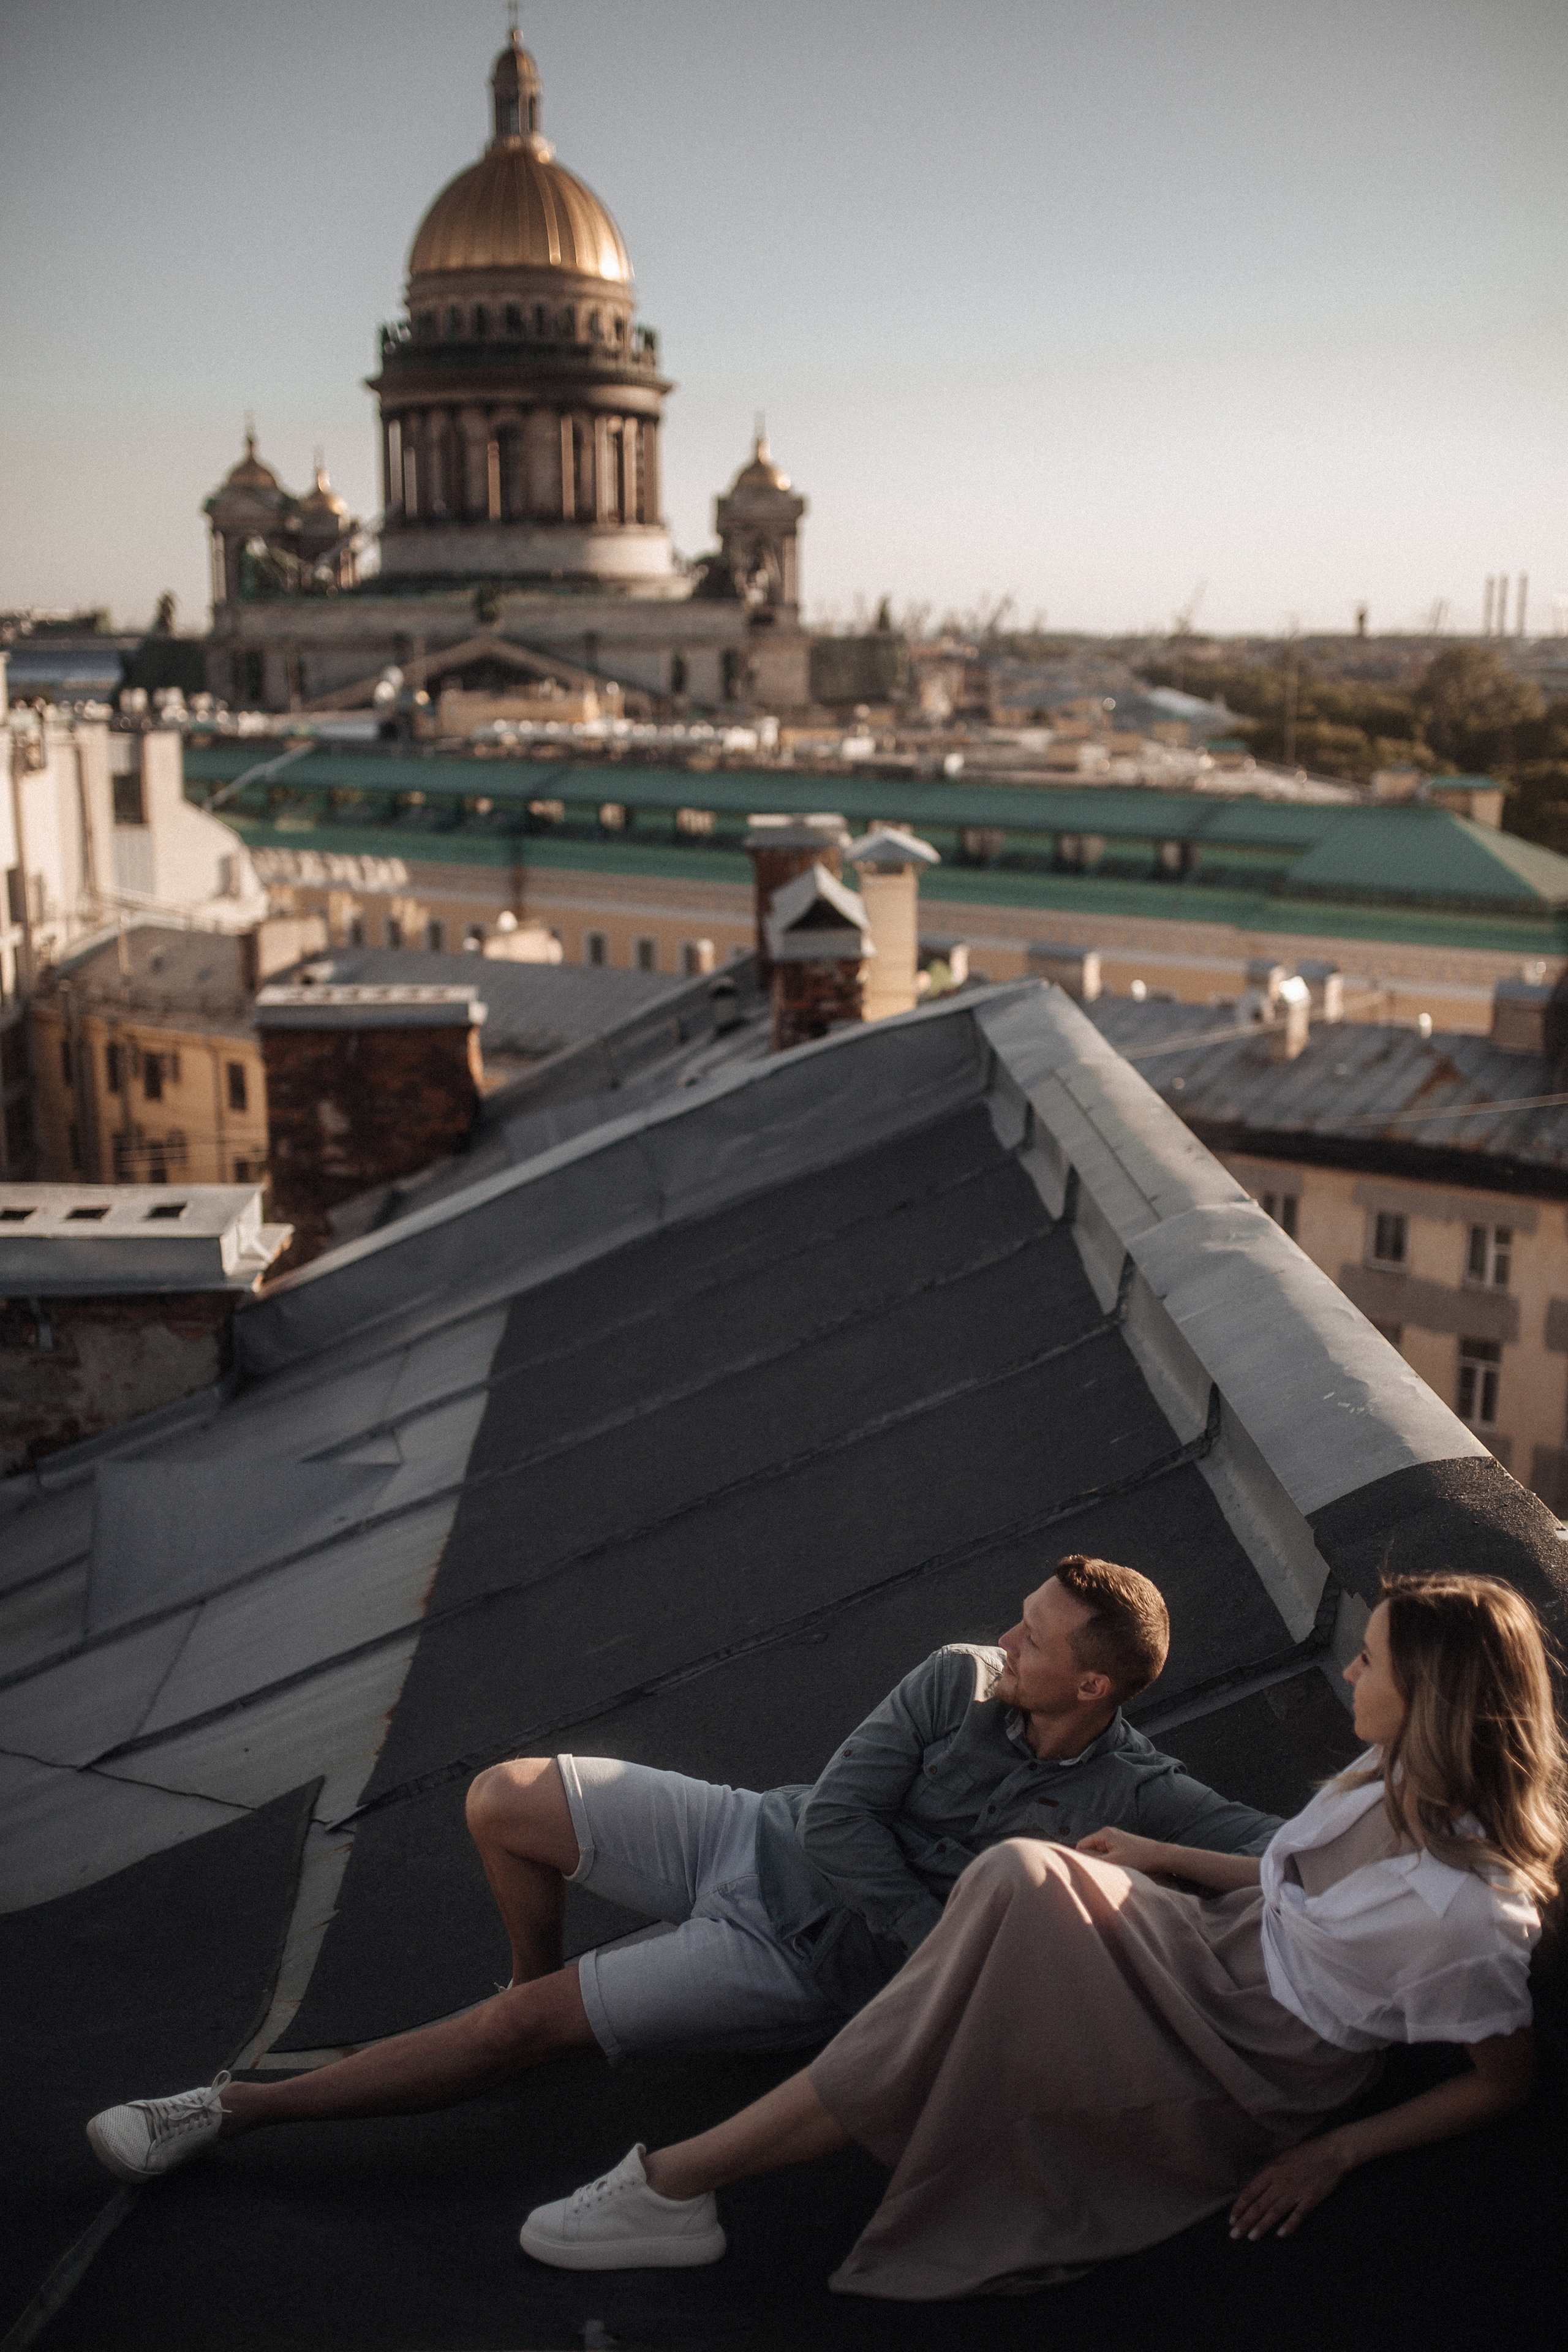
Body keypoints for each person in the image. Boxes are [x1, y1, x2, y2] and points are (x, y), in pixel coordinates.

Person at [518, 1572, 1564, 2295]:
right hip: (1220, 1950)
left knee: (990, 1940)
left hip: (1250, 2045)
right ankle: (698, 2177)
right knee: (1017, 1874)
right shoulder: (1391, 1779)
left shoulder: (1470, 1915)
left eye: (1370, 1661)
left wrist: (1337, 2150)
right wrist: (1165, 1858)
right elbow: (1303, 1886)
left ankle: (678, 2185)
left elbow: (1501, 2081)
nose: (1351, 1673)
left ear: (1427, 1699)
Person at [87, 1556, 1280, 2182]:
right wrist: (940, 1943)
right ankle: (527, 1979)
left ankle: (229, 2111)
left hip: (787, 1961)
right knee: (500, 1797)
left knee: (507, 2046)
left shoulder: (1128, 1791)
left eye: (1034, 1635)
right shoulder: (958, 1673)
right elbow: (835, 1822)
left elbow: (1281, 1853)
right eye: (1017, 1614)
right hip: (744, 1833)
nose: (1005, 1636)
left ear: (1095, 1688)